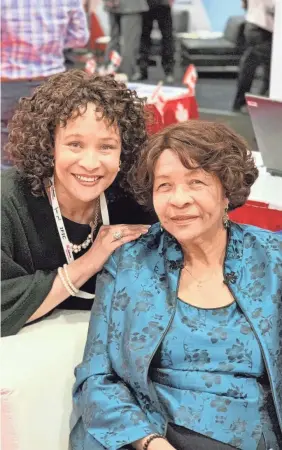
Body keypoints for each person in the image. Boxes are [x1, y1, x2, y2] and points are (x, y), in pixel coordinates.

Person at [71, 121, 282, 450]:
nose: (178, 200)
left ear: (227, 191)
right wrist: (150, 442)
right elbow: (96, 376)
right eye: (164, 186)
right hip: (155, 434)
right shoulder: (129, 263)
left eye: (196, 182)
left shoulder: (273, 260)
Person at [1, 69, 156, 337]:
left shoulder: (136, 197)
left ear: (124, 150)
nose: (90, 163)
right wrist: (90, 262)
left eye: (106, 147)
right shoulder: (8, 201)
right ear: (49, 145)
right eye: (75, 144)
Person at [1, 0, 89, 167]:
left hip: (8, 82)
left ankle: (8, 191)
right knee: (48, 145)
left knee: (7, 151)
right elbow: (79, 38)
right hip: (51, 82)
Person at [233, 0, 275, 112]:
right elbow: (272, 6)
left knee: (249, 66)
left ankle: (240, 101)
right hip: (261, 29)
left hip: (254, 25)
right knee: (271, 69)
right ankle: (262, 104)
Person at [132, 0, 175, 84]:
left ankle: (169, 71)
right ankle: (142, 70)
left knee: (167, 37)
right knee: (144, 37)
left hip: (163, 4)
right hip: (147, 5)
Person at [103, 0, 149, 80]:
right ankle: (126, 74)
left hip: (114, 5)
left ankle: (110, 72)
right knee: (129, 42)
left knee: (114, 39)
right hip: (131, 5)